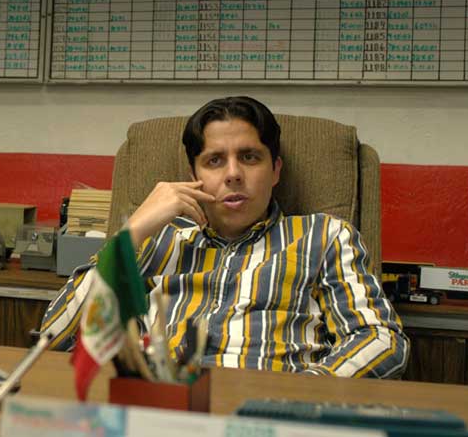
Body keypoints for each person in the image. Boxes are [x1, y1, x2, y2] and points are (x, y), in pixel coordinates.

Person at [40, 96, 408, 378]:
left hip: (266, 416)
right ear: (194, 176)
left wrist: (303, 395)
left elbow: (380, 340)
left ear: (275, 170)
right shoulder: (154, 242)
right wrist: (132, 231)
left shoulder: (324, 236)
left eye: (249, 157)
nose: (233, 174)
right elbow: (55, 336)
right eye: (214, 160)